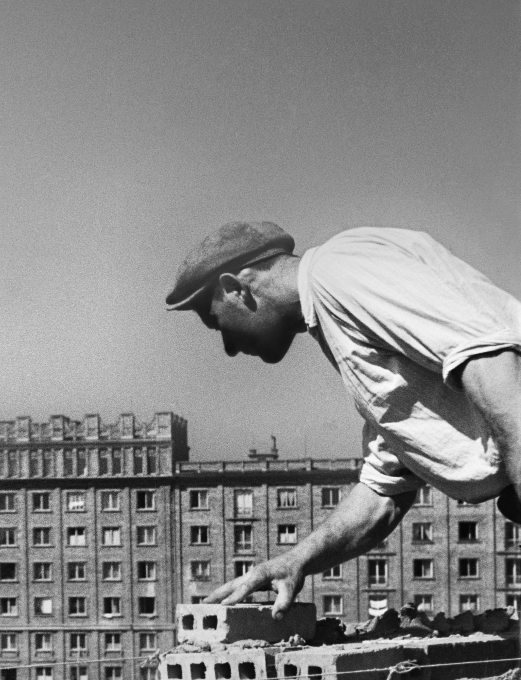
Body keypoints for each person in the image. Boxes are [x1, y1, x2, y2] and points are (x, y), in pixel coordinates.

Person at [165, 221, 521, 615]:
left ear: (235, 288)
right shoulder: (339, 312)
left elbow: (493, 365)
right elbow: (384, 492)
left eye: (216, 323)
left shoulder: (341, 273)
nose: (228, 347)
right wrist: (295, 561)